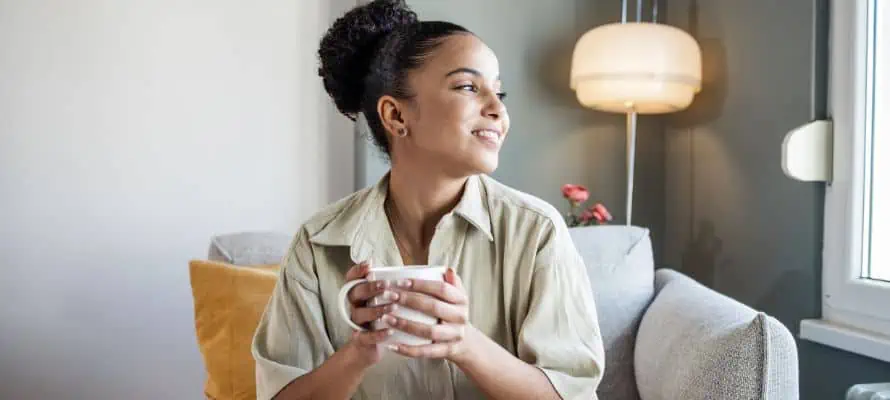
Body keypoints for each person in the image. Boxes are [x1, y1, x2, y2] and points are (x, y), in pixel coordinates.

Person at [251, 1, 604, 399]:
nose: (498, 109)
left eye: (498, 90)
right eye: (469, 87)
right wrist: (360, 351)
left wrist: (464, 343)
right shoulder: (317, 245)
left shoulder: (536, 231)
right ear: (396, 116)